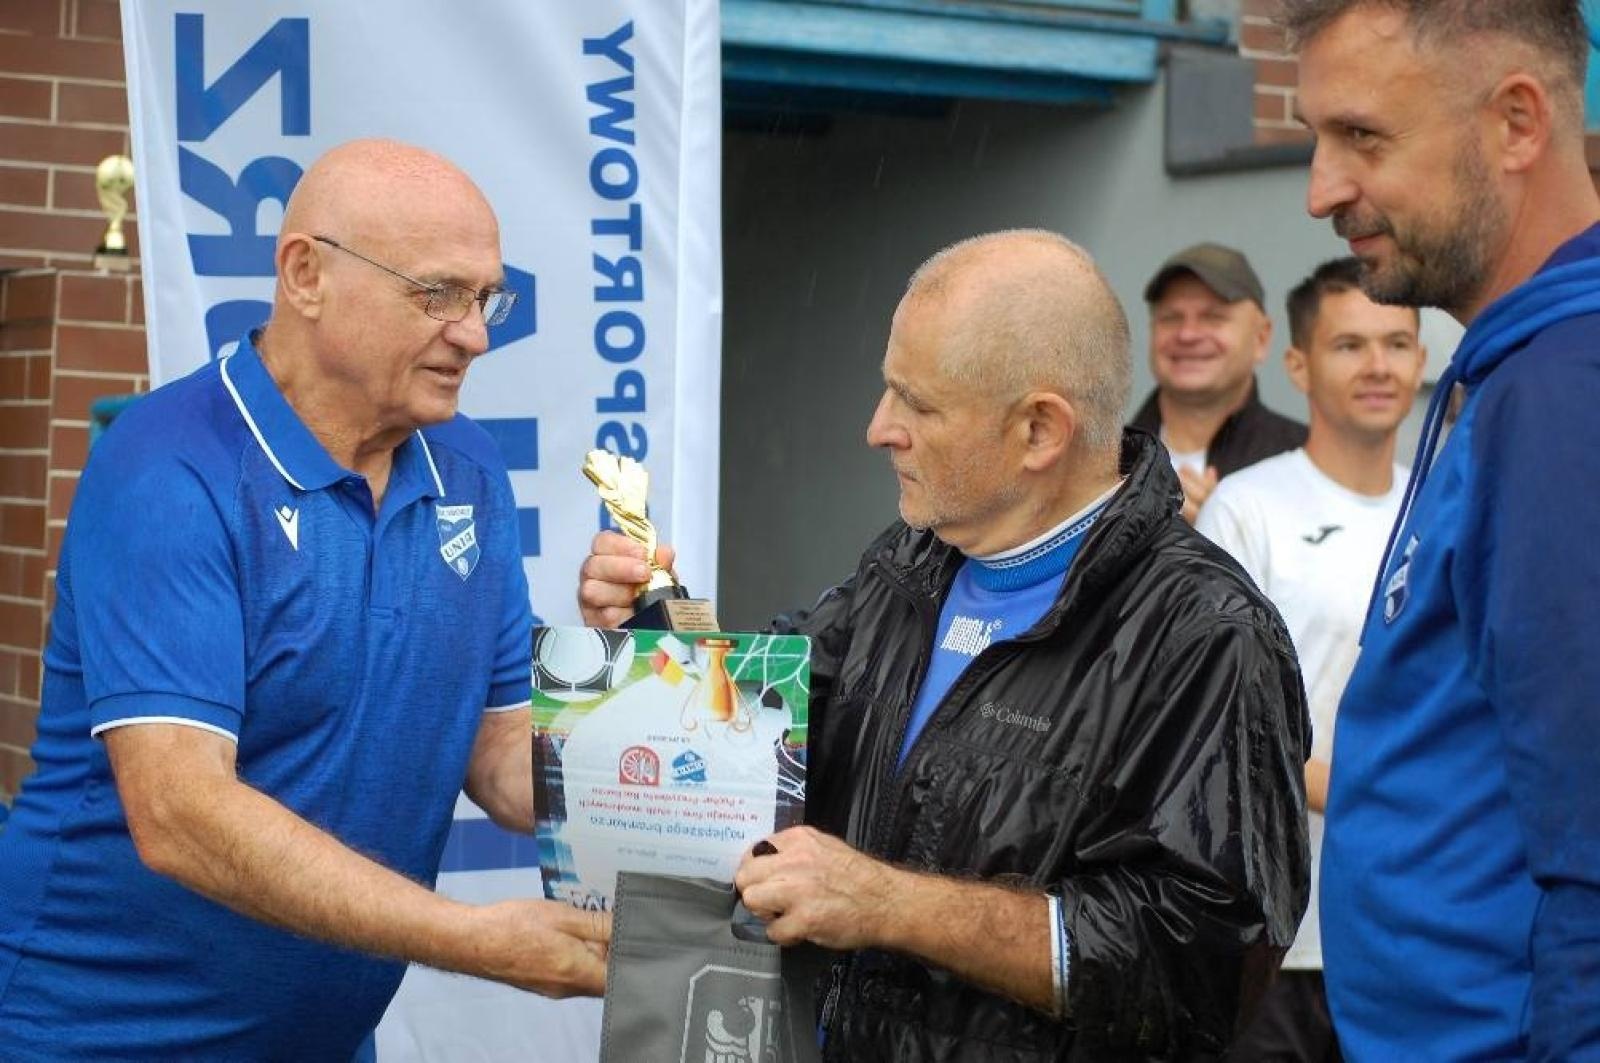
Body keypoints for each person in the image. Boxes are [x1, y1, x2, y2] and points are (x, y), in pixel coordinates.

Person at [580, 230, 1312, 1060]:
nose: (877, 428)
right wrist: (656, 622)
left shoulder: (1206, 633)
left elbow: (1202, 966)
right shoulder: (909, 562)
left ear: (1040, 431)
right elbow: (765, 723)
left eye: (915, 403)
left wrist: (891, 904)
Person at [0, 139, 608, 1060]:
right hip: (97, 1035)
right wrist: (472, 937)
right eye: (437, 293)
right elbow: (180, 816)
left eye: (486, 298)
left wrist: (639, 687)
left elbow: (504, 768)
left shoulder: (469, 468)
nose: (476, 333)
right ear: (306, 273)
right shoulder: (169, 467)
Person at [1285, 1, 1600, 1058]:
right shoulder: (1514, 369)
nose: (1321, 189)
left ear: (1516, 124)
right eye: (1317, 139)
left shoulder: (1560, 396)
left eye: (1363, 137)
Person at [1195, 257, 1425, 1062]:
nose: (1378, 366)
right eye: (1350, 344)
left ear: (1423, 361)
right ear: (1297, 364)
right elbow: (1217, 723)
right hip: (1275, 934)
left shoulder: (1443, 504)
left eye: (1397, 343)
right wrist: (1375, 791)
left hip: (1410, 926)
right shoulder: (1247, 508)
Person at [1129, 243, 1307, 522]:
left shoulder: (1305, 461)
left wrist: (1228, 530)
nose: (1187, 335)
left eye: (1213, 318)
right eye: (1171, 318)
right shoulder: (1100, 464)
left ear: (1261, 338)